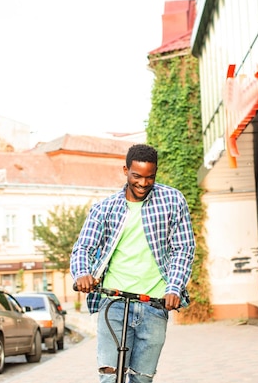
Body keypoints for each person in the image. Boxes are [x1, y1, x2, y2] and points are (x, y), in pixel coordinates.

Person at [70, 143, 196, 383]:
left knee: (142, 379)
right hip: (114, 303)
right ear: (125, 170)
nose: (143, 183)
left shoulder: (172, 200)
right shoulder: (105, 208)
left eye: (150, 177)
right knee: (110, 376)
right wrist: (82, 273)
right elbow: (84, 247)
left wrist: (174, 288)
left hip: (155, 304)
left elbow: (183, 248)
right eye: (136, 176)